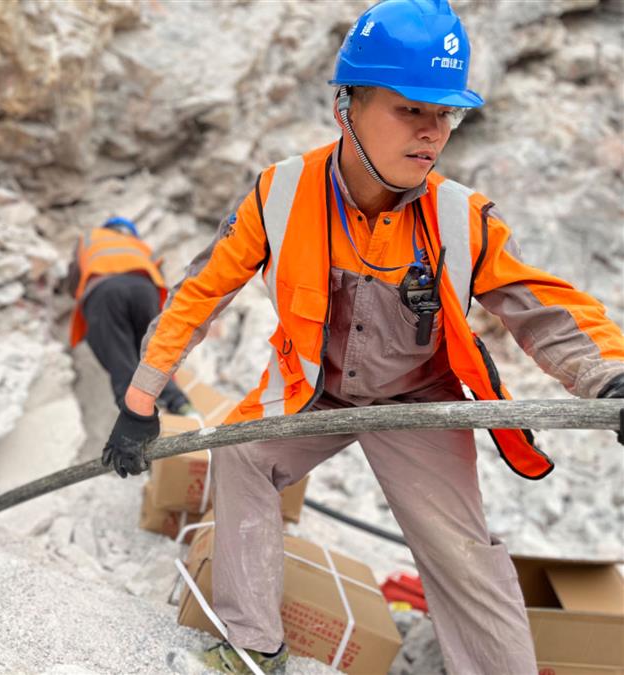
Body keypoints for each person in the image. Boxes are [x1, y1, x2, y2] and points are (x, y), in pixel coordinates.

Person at [99, 0, 624, 673]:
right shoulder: (279, 195)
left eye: (447, 115)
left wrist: (609, 376)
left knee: (464, 553)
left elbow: (545, 310)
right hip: (312, 388)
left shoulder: (461, 217)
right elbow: (200, 294)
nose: (432, 133)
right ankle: (251, 644)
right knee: (242, 454)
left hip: (418, 400)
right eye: (412, 109)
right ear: (346, 106)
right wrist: (139, 403)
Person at [67, 216, 193, 418]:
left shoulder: (90, 239)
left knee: (120, 359)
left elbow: (74, 276)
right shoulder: (139, 246)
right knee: (151, 354)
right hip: (144, 290)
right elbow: (158, 274)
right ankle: (181, 406)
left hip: (104, 292)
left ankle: (135, 418)